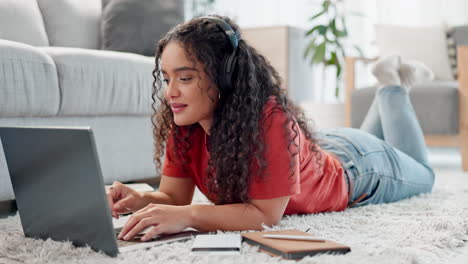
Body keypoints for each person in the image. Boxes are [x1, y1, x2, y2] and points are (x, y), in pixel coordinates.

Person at [107, 15, 435, 242]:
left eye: (185, 78)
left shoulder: (270, 118)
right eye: (167, 79)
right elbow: (174, 197)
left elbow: (264, 215)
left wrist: (192, 216)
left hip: (359, 170)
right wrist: (139, 199)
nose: (170, 92)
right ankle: (389, 86)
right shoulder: (186, 120)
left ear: (223, 76)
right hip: (319, 150)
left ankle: (392, 86)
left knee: (424, 173)